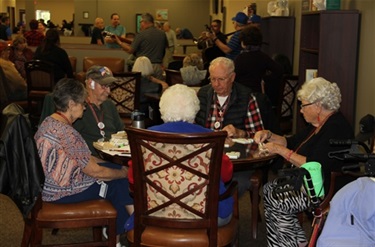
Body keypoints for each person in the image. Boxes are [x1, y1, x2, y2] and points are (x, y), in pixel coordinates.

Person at [253, 77, 354, 247]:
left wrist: (280, 151)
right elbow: (290, 142)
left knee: (276, 197)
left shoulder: (336, 127)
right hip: (312, 183)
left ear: (318, 106)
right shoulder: (318, 125)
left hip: (325, 188)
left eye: (303, 105)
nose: (300, 110)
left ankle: (288, 243)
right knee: (270, 189)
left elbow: (314, 164)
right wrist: (269, 134)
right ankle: (297, 242)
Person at [35, 78, 133, 247]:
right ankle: (124, 234)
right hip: (62, 192)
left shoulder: (49, 122)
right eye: (82, 103)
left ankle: (123, 229)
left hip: (50, 184)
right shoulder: (67, 133)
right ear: (72, 104)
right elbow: (94, 171)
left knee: (114, 170)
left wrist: (111, 165)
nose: (85, 107)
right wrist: (123, 172)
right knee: (119, 183)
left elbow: (84, 157)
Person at [130, 84, 234, 227]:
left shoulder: (145, 137)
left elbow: (132, 177)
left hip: (155, 211)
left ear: (162, 108)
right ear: (195, 109)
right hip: (206, 214)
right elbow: (226, 174)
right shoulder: (211, 138)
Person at [195, 57, 265, 196]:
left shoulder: (246, 97)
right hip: (206, 157)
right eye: (213, 79)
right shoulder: (202, 94)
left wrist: (240, 133)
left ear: (232, 77)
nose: (216, 84)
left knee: (232, 184)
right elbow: (194, 127)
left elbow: (259, 135)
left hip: (236, 163)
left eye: (221, 79)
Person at [234, 26, 283, 103]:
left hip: (242, 96)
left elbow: (233, 75)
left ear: (243, 42)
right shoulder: (263, 56)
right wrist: (264, 79)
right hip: (258, 95)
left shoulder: (240, 58)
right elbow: (279, 70)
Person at [116, 13, 167, 80]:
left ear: (144, 22)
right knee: (159, 87)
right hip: (158, 67)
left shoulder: (141, 34)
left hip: (144, 67)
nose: (140, 24)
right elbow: (164, 50)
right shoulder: (162, 34)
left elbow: (130, 50)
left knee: (142, 88)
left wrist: (119, 42)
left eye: (140, 22)